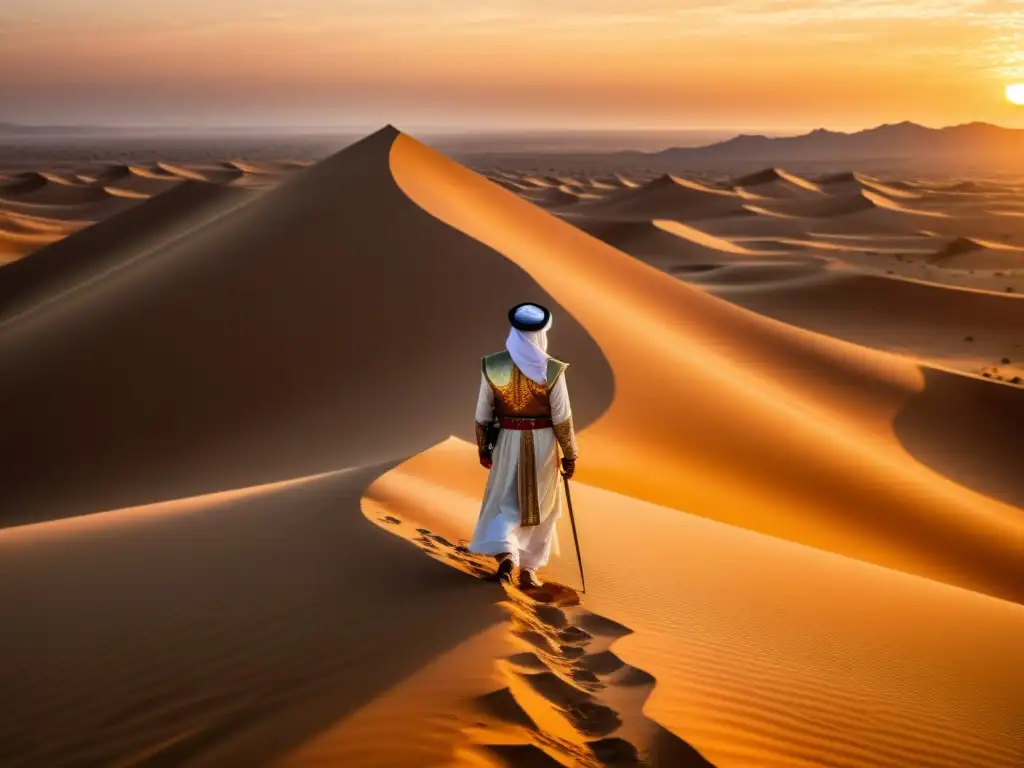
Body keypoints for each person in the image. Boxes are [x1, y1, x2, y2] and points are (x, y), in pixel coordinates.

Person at [470, 302, 579, 589]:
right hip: (543, 445)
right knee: (540, 506)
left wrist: (484, 448)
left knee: (504, 500)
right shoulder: (552, 371)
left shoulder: (493, 365)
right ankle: (529, 569)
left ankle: (507, 553)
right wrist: (570, 456)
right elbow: (562, 419)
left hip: (507, 441)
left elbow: (482, 414)